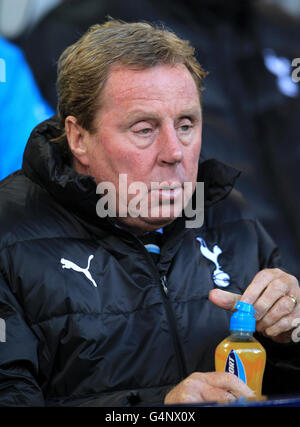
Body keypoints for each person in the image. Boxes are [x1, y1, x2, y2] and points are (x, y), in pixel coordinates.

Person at [0, 19, 300, 407]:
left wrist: (290, 337)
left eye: (186, 124)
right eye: (144, 129)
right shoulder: (9, 232)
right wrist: (159, 409)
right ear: (78, 138)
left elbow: (276, 386)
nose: (175, 151)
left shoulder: (229, 216)